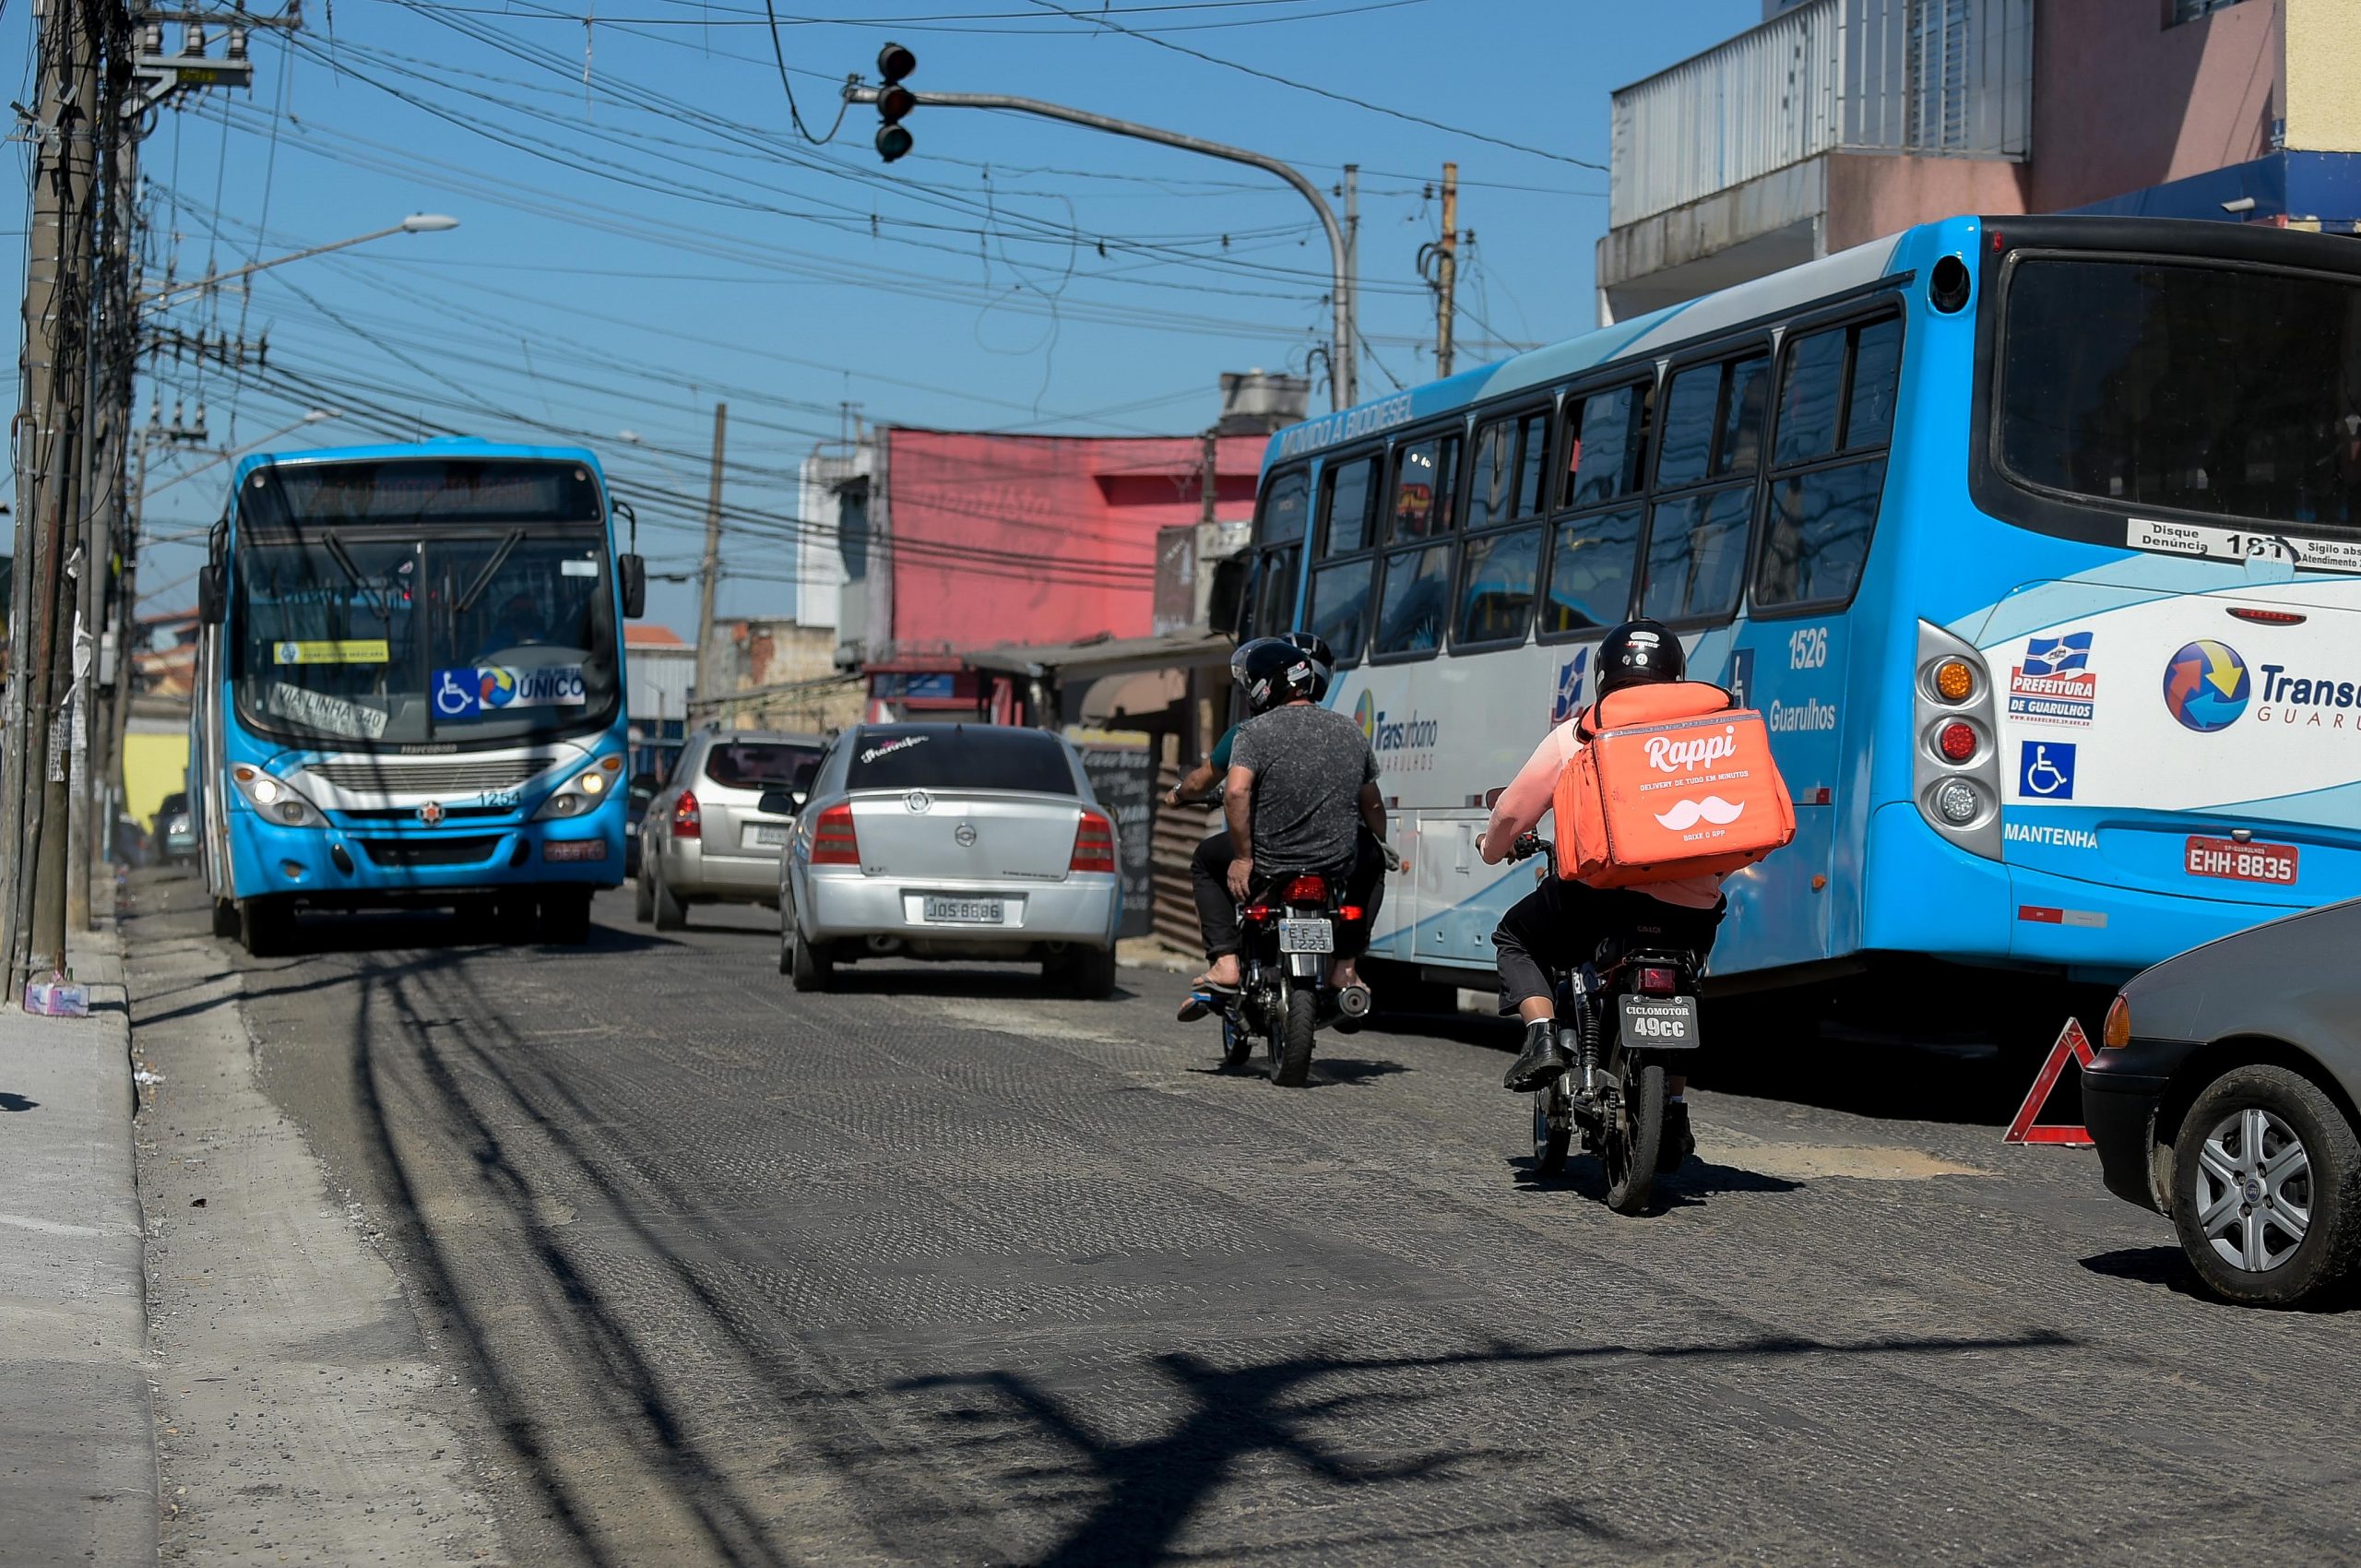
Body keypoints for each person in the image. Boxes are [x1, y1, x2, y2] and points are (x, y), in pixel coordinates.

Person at [1477, 618, 1728, 1172]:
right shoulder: (1717, 731)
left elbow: (1514, 813)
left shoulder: (1578, 734)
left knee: (1515, 936)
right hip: (1691, 905)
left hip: (1600, 897)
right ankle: (1677, 1106)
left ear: (1605, 675)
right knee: (1684, 984)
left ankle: (1543, 1037)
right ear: (1677, 674)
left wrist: (1493, 847)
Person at [1180, 636, 1385, 1017]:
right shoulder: (1349, 731)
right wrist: (1380, 844)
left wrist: (1243, 858)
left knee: (1205, 860)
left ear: (1264, 687)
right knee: (1373, 862)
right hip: (1336, 860)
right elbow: (1371, 802)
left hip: (1270, 860)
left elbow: (1236, 792)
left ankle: (1225, 961)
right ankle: (1346, 967)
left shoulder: (1252, 733)